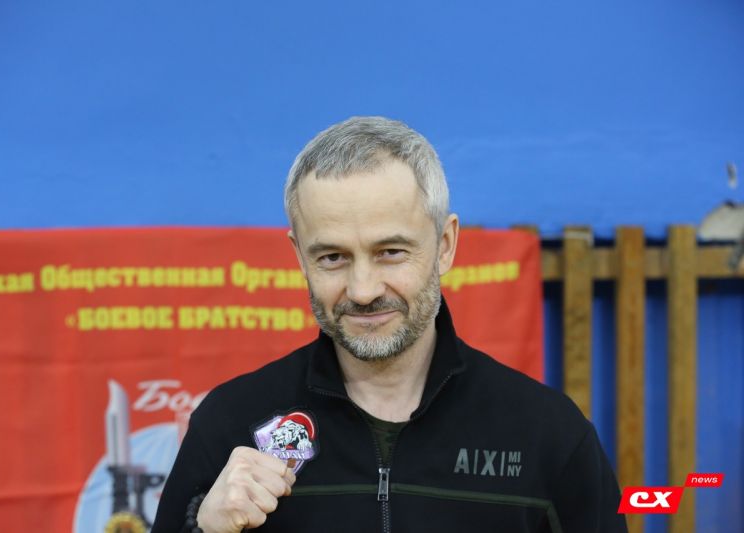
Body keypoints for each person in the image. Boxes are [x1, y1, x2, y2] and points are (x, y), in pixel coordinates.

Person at [151, 116, 627, 532]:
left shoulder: (549, 435)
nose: (362, 290)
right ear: (300, 257)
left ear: (445, 245)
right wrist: (203, 529)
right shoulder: (229, 424)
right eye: (332, 257)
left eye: (390, 252)